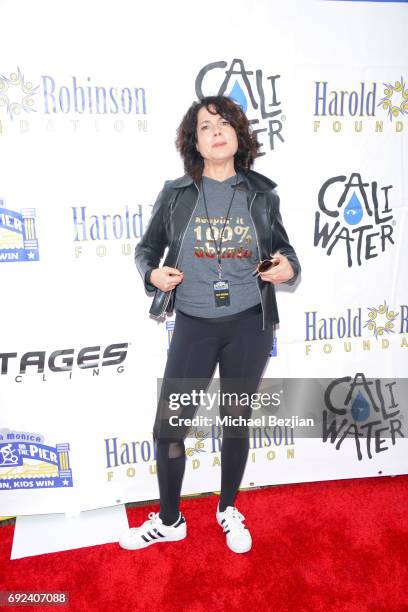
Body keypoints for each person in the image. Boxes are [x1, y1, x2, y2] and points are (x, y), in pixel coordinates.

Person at [119, 95, 301, 554]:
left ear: (238, 136)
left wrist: (288, 268)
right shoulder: (176, 193)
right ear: (194, 142)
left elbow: (286, 251)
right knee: (169, 427)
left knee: (236, 419)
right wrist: (151, 273)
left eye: (224, 123)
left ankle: (226, 508)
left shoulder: (262, 194)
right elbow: (146, 249)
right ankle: (169, 518)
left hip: (249, 326)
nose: (216, 130)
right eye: (205, 126)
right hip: (194, 325)